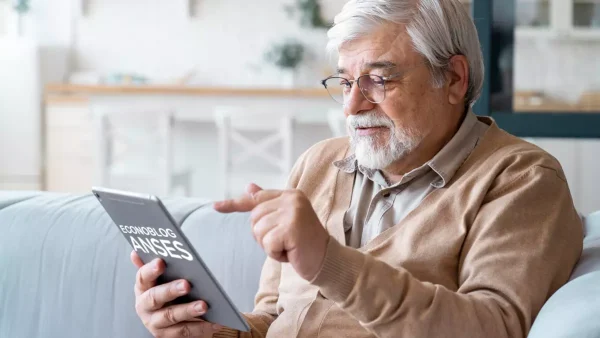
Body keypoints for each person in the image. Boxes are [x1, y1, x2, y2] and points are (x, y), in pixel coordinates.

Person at [130, 1, 583, 337]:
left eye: (379, 80)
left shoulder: (520, 179)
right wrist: (212, 330)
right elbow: (273, 320)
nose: (352, 105)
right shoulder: (319, 164)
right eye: (346, 81)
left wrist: (330, 263)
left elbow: (493, 328)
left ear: (455, 79)